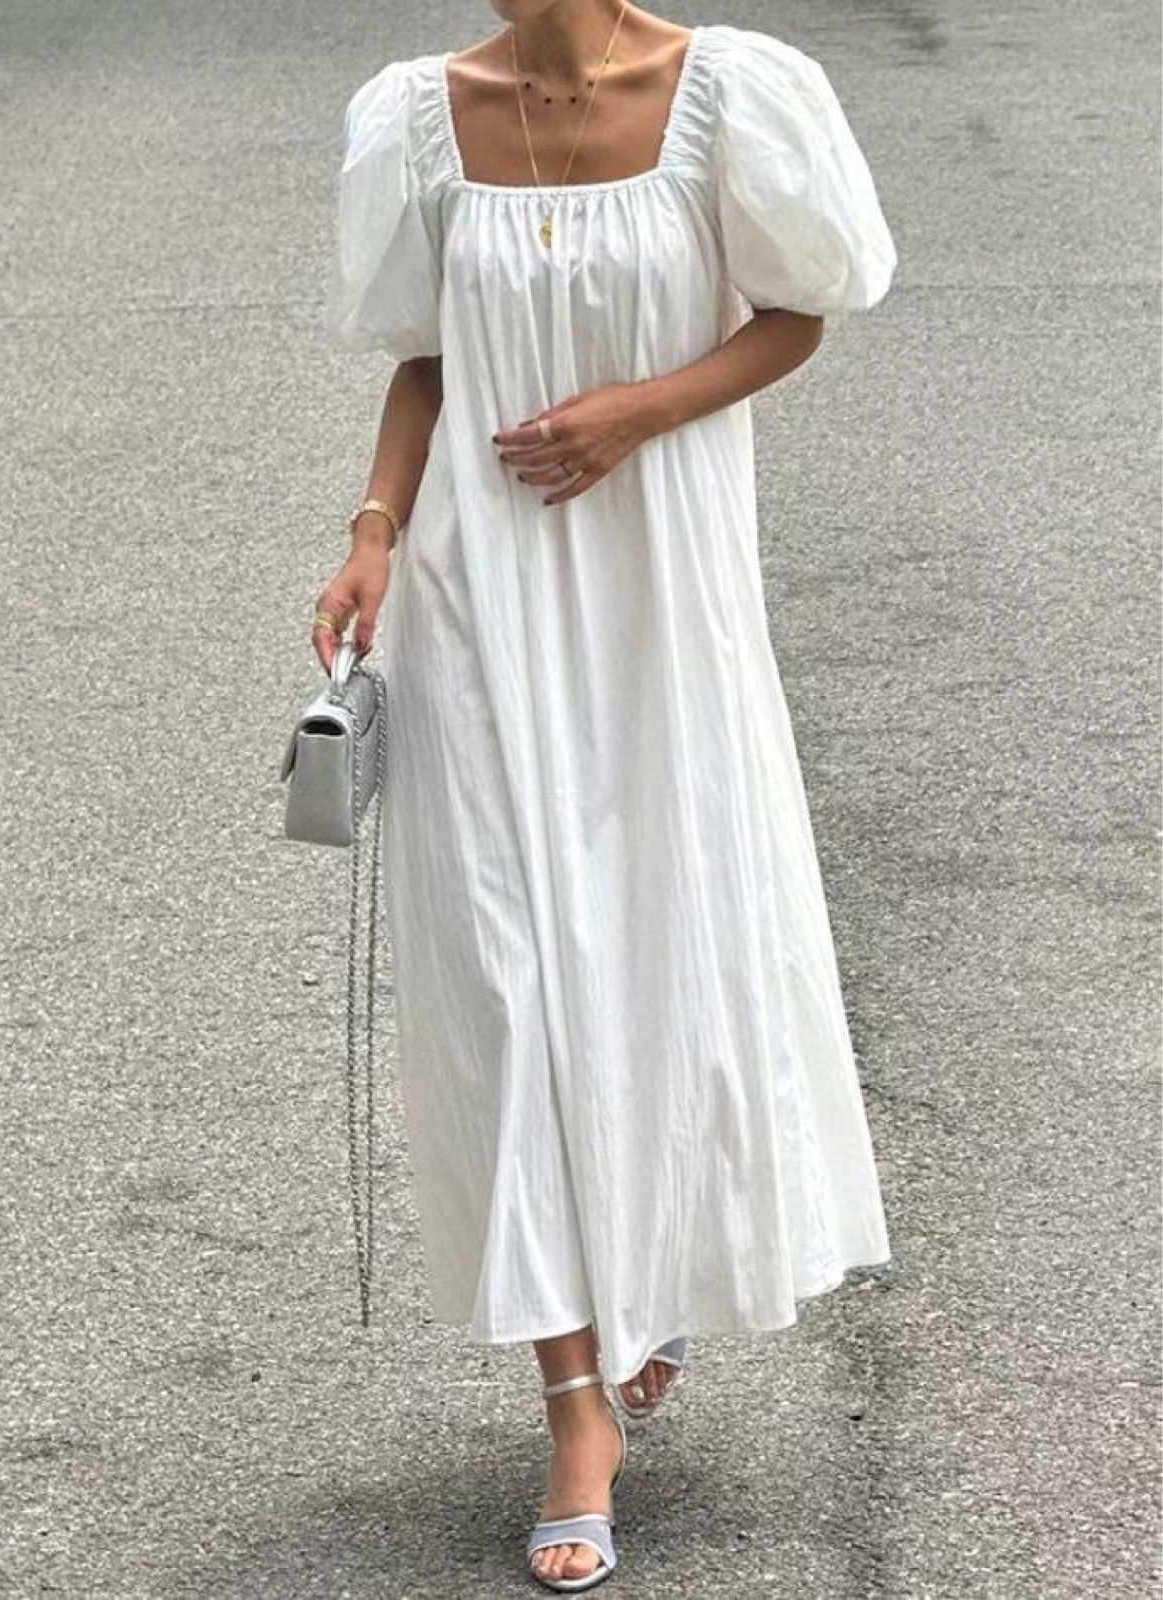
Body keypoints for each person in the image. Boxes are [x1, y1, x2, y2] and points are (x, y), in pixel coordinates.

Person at [313, 2, 897, 1589]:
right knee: (507, 986)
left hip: (661, 602)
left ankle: (649, 1275)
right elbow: (428, 354)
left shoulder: (730, 95)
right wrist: (373, 532)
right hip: (477, 603)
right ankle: (577, 1409)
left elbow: (802, 309)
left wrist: (640, 409)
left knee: (658, 958)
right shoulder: (421, 115)